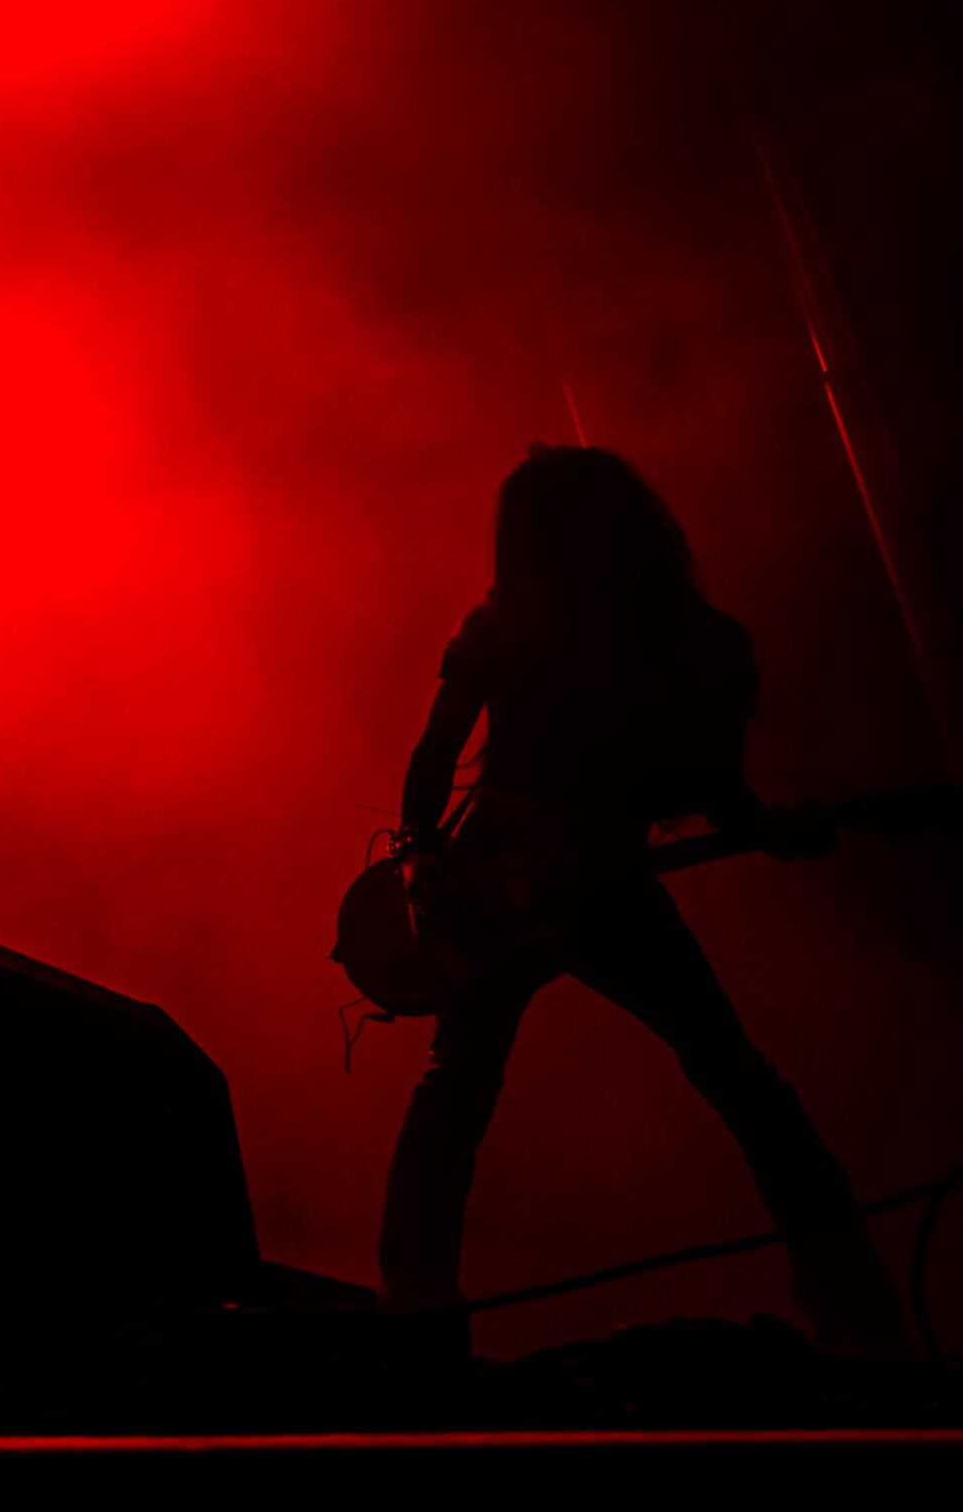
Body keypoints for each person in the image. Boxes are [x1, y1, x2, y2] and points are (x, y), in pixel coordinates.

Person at [375, 446, 908, 1353]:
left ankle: (415, 1302)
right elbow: (716, 788)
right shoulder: (699, 641)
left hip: (504, 870)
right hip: (603, 881)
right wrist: (775, 831)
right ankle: (851, 1295)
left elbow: (434, 758)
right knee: (737, 1075)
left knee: (457, 1083)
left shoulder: (503, 623)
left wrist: (424, 869)